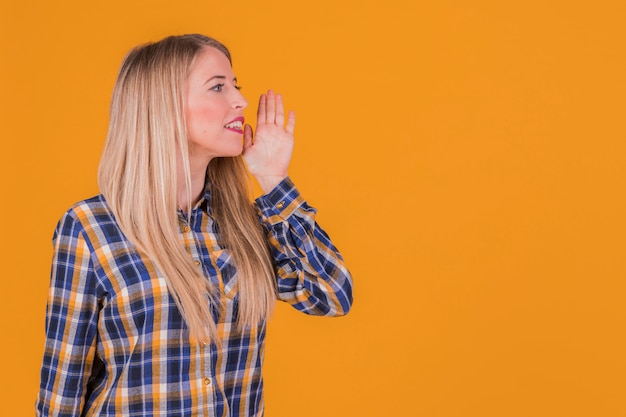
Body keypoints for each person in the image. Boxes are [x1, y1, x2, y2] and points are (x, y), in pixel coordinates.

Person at [36, 34, 353, 417]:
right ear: (162, 106)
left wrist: (273, 180)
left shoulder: (249, 225)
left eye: (236, 86)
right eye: (218, 87)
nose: (240, 101)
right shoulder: (90, 228)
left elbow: (333, 296)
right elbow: (62, 391)